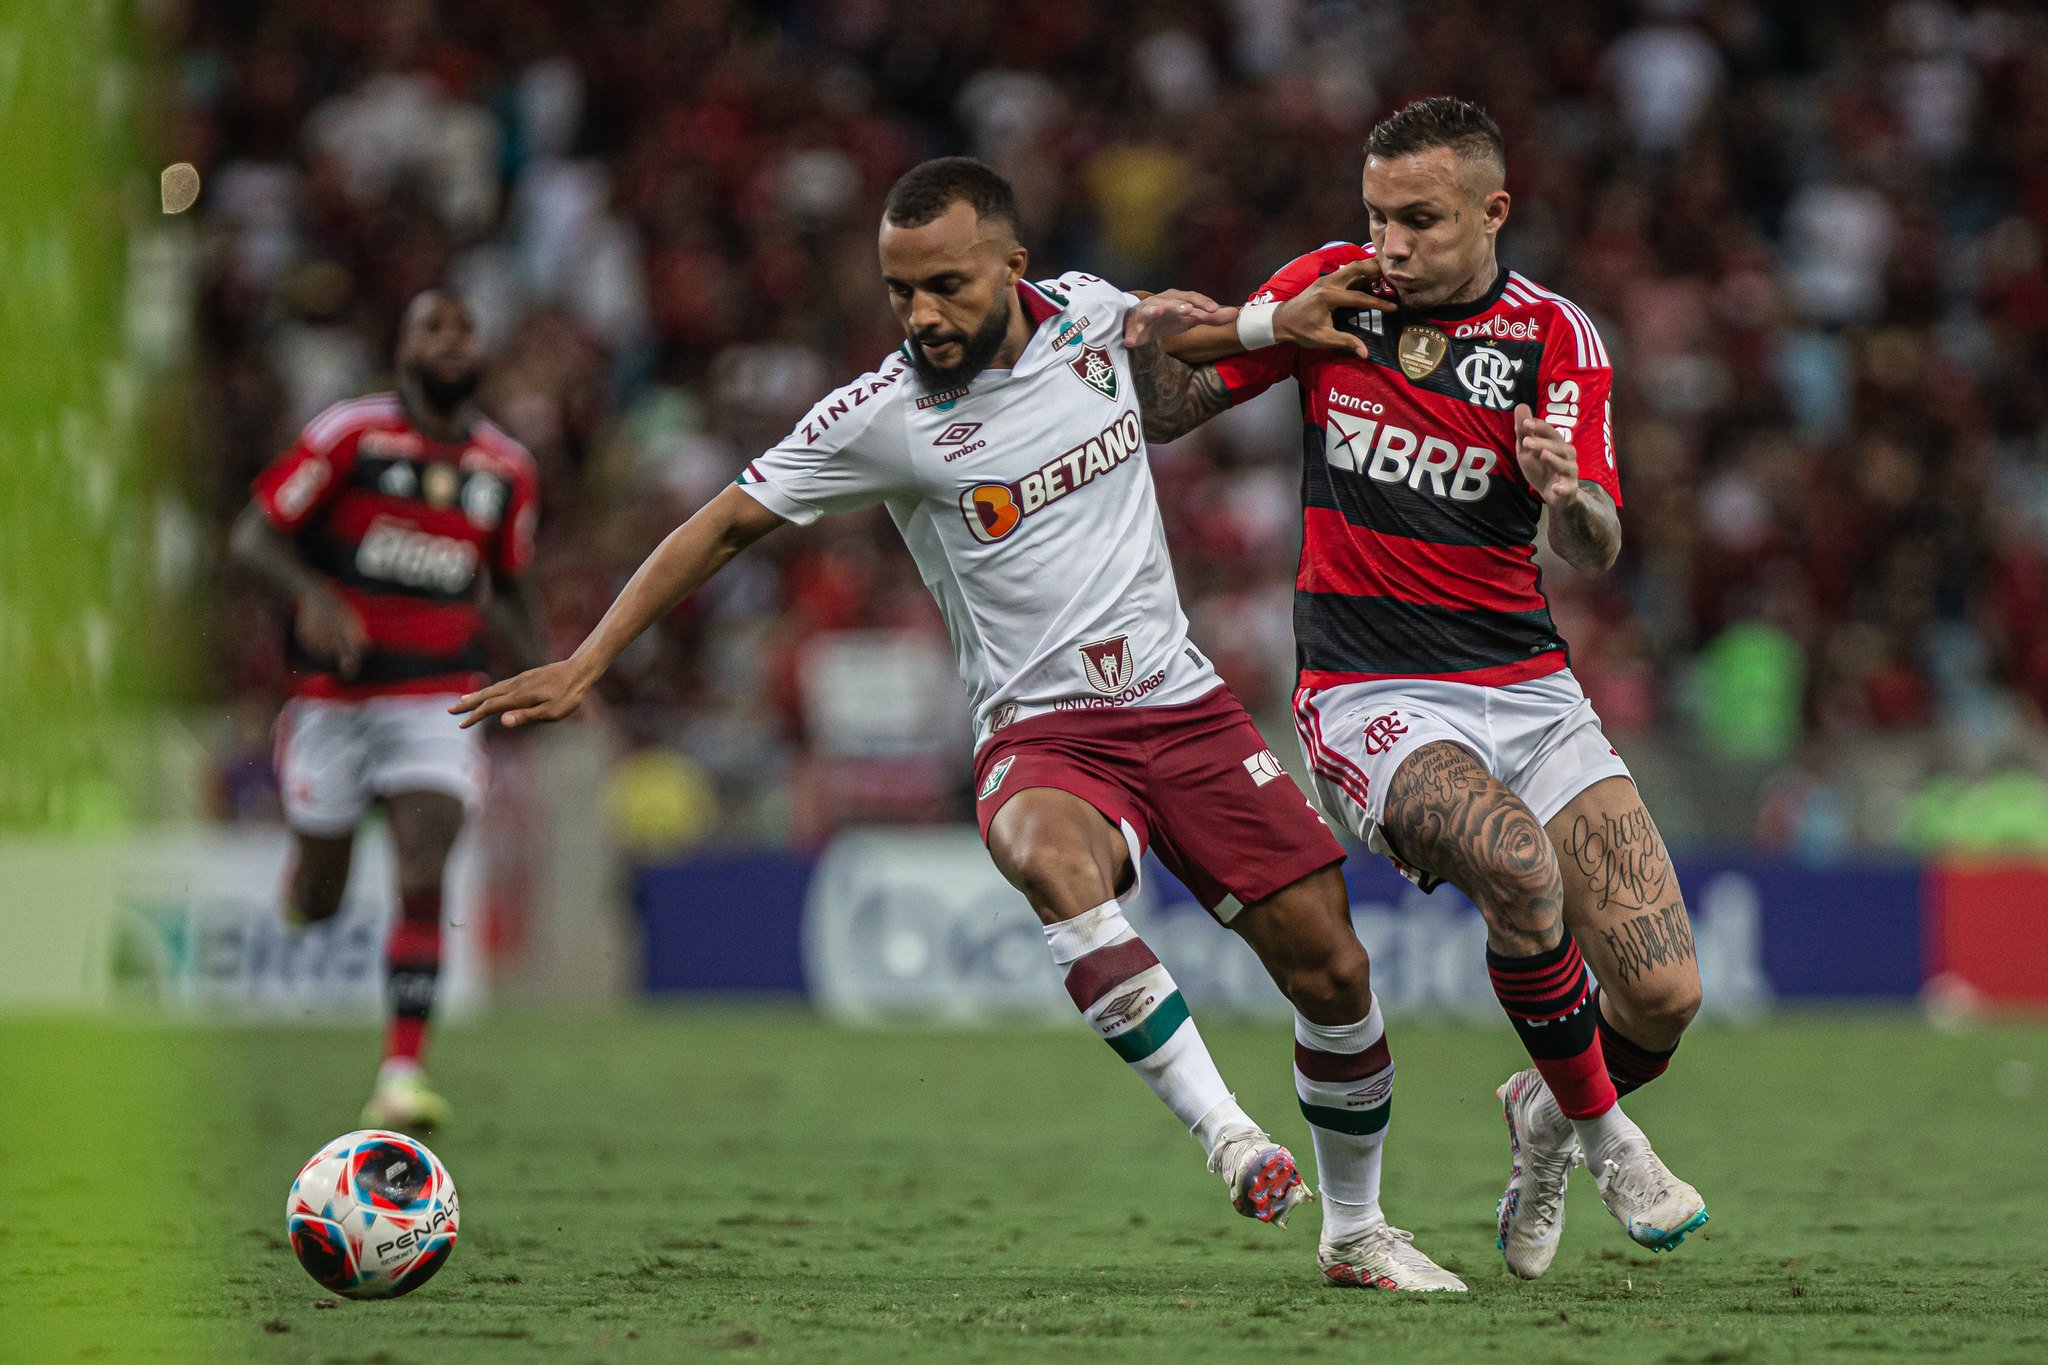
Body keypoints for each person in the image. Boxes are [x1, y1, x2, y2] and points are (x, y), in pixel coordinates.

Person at [454, 158, 1465, 1292]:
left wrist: (1270, 318)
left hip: (1181, 706)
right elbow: (724, 524)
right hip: (1042, 734)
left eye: (945, 286)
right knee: (1048, 858)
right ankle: (1227, 1135)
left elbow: (1166, 329)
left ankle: (1356, 1230)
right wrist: (589, 658)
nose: (921, 316)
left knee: (1331, 972)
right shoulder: (879, 417)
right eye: (900, 291)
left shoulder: (1080, 313)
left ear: (1012, 267)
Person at [1145, 97, 1708, 1277]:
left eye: (1419, 219)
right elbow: (1163, 408)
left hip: (1529, 684)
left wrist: (1568, 496)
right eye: (1375, 216)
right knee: (1514, 866)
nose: (1389, 244)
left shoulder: (1559, 338)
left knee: (1661, 993)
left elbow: (1598, 543)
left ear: (1492, 211)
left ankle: (1544, 1112)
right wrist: (1258, 322)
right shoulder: (1340, 290)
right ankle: (1607, 1135)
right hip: (1369, 689)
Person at [232, 291, 545, 1134]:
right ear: (402, 349)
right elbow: (253, 536)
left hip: (439, 695)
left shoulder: (506, 468)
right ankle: (304, 884)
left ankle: (401, 1072)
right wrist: (317, 597)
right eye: (433, 328)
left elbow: (507, 588)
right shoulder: (349, 437)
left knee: (422, 864)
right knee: (322, 900)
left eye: (465, 328)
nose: (451, 340)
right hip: (332, 700)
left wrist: (558, 668)